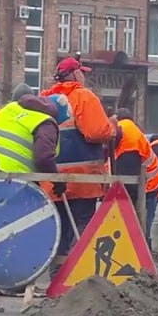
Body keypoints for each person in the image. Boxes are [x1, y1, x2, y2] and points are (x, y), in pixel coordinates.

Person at [42, 56, 119, 275]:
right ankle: (78, 276)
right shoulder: (83, 97)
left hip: (53, 180)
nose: (84, 76)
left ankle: (56, 277)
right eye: (82, 72)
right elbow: (96, 132)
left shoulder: (46, 98)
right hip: (83, 180)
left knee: (59, 230)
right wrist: (111, 129)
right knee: (82, 229)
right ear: (76, 74)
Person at [0, 94, 61, 188]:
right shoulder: (45, 122)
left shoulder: (9, 107)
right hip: (10, 179)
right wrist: (57, 181)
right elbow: (43, 158)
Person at [110, 107, 158, 248]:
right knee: (143, 225)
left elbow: (129, 179)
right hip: (151, 184)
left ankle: (141, 253)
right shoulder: (130, 130)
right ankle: (143, 250)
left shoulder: (126, 138)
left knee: (140, 228)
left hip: (147, 186)